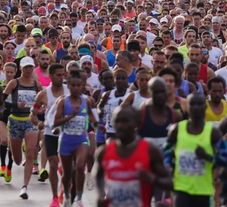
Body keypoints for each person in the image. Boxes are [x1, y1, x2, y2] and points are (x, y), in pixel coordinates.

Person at [95, 105, 171, 207]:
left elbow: (170, 182)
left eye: (125, 121)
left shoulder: (150, 150)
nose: (121, 125)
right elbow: (98, 175)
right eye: (117, 121)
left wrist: (153, 179)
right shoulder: (104, 152)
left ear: (137, 124)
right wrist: (101, 195)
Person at [166, 93, 223, 207]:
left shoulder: (213, 133)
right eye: (192, 104)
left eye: (200, 104)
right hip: (181, 188)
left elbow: (224, 161)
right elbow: (166, 154)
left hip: (203, 190)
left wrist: (206, 156)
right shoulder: (176, 129)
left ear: (205, 107)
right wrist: (170, 172)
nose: (196, 107)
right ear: (186, 106)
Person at [53, 70, 97, 207]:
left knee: (79, 166)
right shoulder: (62, 101)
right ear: (69, 86)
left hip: (81, 140)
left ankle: (78, 198)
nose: (76, 88)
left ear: (82, 86)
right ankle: (66, 196)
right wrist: (71, 116)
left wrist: (98, 125)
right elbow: (56, 122)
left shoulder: (87, 100)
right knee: (67, 174)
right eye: (73, 85)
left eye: (79, 85)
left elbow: (91, 116)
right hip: (66, 140)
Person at [2, 56, 41, 199]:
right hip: (15, 121)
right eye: (26, 67)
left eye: (31, 67)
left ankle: (24, 187)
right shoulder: (14, 83)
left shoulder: (36, 84)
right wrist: (15, 105)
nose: (29, 70)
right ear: (21, 69)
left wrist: (40, 109)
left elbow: (43, 100)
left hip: (31, 121)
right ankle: (13, 150)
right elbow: (2, 102)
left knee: (31, 153)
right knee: (17, 160)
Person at [31, 63, 68, 207]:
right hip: (49, 133)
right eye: (59, 75)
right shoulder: (43, 94)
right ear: (51, 76)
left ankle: (63, 190)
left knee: (66, 166)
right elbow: (32, 114)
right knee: (53, 164)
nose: (61, 77)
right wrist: (37, 123)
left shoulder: (69, 91)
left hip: (66, 133)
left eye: (63, 74)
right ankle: (54, 198)